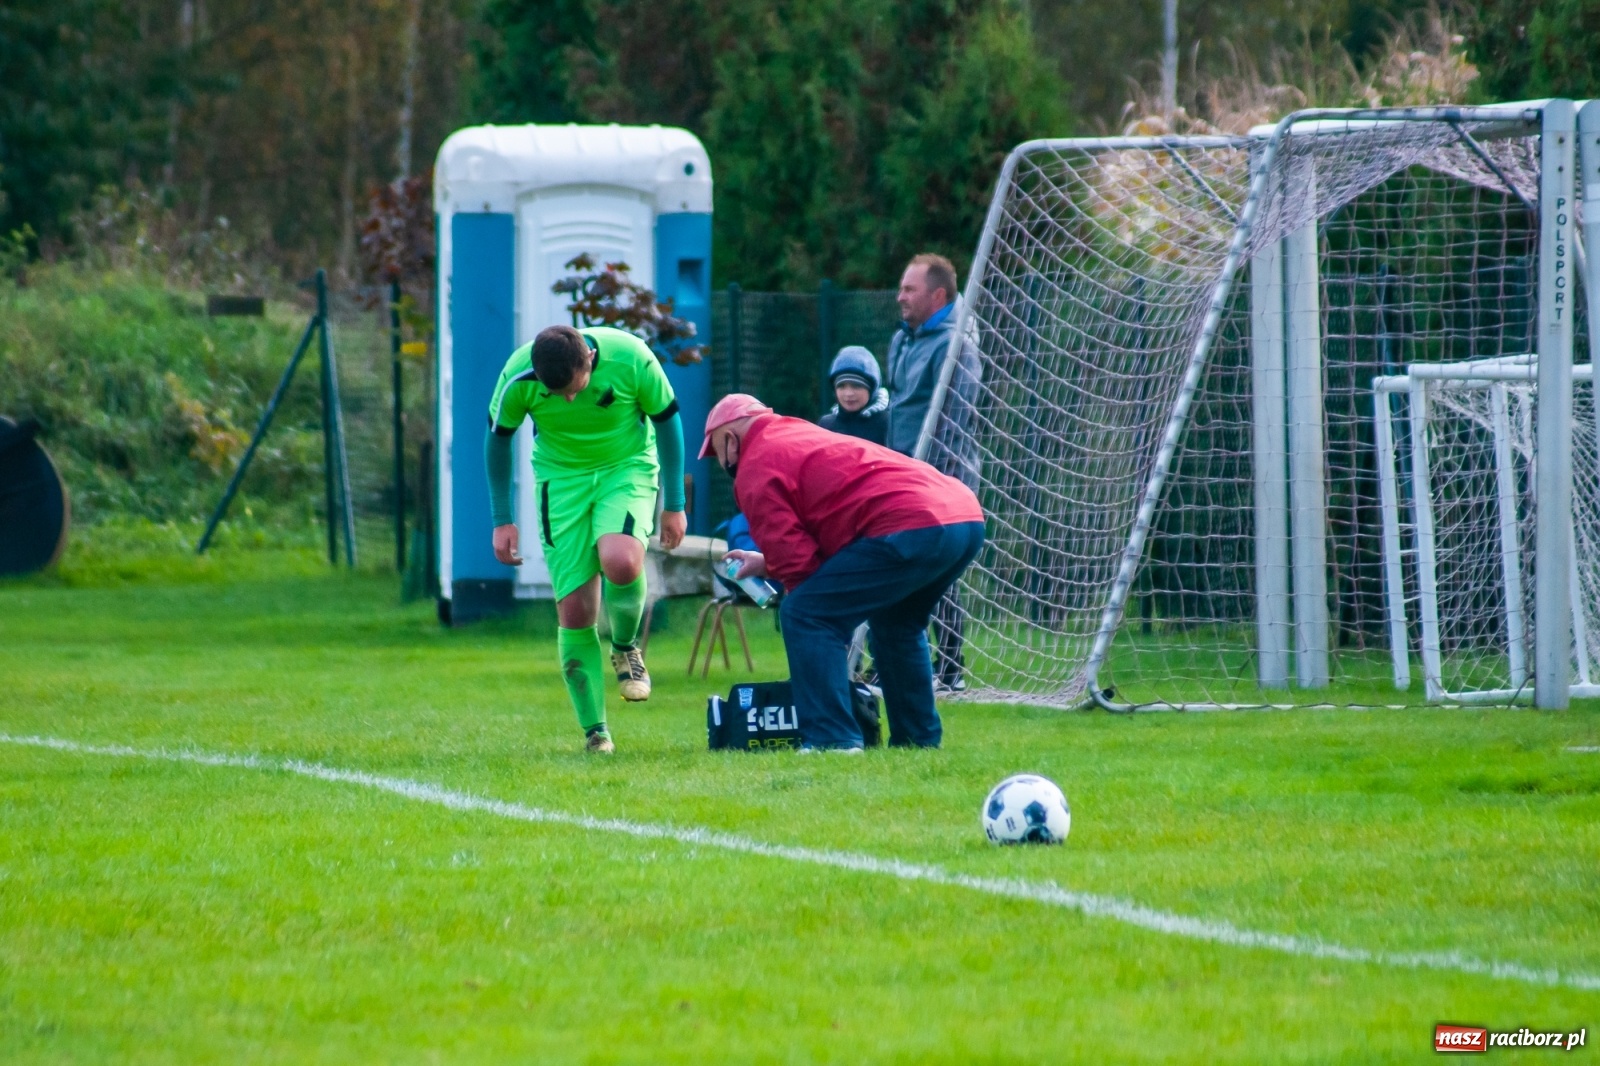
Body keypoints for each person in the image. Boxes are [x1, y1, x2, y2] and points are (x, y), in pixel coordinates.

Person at [701, 393, 985, 751]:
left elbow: (801, 568)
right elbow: (835, 524)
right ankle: (918, 743)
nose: (720, 462)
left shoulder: (756, 465)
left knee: (806, 614)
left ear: (730, 438)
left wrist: (806, 606)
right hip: (964, 517)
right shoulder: (796, 435)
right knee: (896, 625)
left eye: (716, 452)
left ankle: (832, 739)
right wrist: (767, 562)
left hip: (911, 524)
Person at [484, 324, 687, 755]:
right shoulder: (519, 374)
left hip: (626, 468)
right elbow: (498, 440)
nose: (569, 400)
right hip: (560, 483)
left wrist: (676, 503)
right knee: (575, 611)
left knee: (621, 560)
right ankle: (596, 732)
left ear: (590, 362)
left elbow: (668, 422)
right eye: (556, 394)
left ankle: (626, 647)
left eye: (575, 388)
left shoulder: (631, 357)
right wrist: (502, 518)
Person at [884, 253, 982, 691]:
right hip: (900, 471)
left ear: (937, 294)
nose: (900, 296)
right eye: (902, 287)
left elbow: (958, 416)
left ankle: (950, 666)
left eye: (910, 289)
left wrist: (931, 476)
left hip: (942, 475)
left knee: (935, 567)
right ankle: (892, 660)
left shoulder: (956, 342)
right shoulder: (902, 340)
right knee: (896, 563)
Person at [818, 345, 889, 445]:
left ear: (872, 388)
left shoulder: (888, 424)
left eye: (856, 386)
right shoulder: (826, 425)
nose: (848, 393)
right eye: (841, 386)